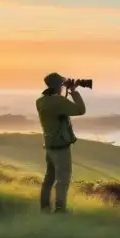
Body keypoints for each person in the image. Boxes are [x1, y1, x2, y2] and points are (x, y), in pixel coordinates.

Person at [36, 72, 86, 213]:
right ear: (58, 86)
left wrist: (65, 92)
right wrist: (73, 92)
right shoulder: (58, 101)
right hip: (60, 147)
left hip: (50, 146)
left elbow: (58, 110)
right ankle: (60, 210)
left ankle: (44, 207)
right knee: (63, 180)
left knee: (49, 178)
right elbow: (81, 110)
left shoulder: (41, 101)